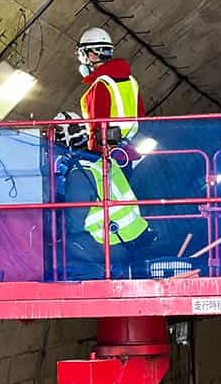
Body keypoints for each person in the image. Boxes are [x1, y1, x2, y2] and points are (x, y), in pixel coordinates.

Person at [52, 111, 155, 280]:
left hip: (115, 244)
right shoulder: (105, 162)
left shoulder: (79, 174)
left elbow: (74, 225)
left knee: (60, 247)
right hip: (135, 235)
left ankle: (96, 280)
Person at [76, 27, 145, 152]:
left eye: (82, 54)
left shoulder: (101, 85)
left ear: (91, 55)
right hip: (130, 150)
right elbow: (141, 117)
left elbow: (97, 128)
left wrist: (93, 150)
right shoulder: (131, 81)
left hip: (108, 154)